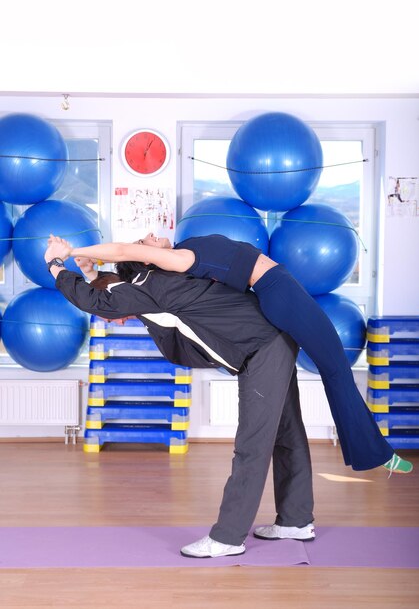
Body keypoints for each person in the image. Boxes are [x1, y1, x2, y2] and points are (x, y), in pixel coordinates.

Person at [48, 233, 412, 475]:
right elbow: (124, 257)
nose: (150, 236)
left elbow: (115, 274)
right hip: (278, 290)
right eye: (146, 241)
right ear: (152, 257)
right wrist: (67, 256)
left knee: (334, 371)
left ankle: (372, 453)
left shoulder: (184, 251)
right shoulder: (179, 259)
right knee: (335, 369)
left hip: (274, 292)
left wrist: (85, 265)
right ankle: (375, 454)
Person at [44, 241, 314, 558]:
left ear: (120, 290)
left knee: (251, 445)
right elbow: (106, 292)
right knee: (287, 432)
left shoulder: (146, 289)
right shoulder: (153, 282)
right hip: (274, 340)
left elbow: (95, 301)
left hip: (263, 350)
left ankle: (228, 537)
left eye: (114, 315)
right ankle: (295, 520)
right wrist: (89, 270)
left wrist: (56, 264)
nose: (116, 320)